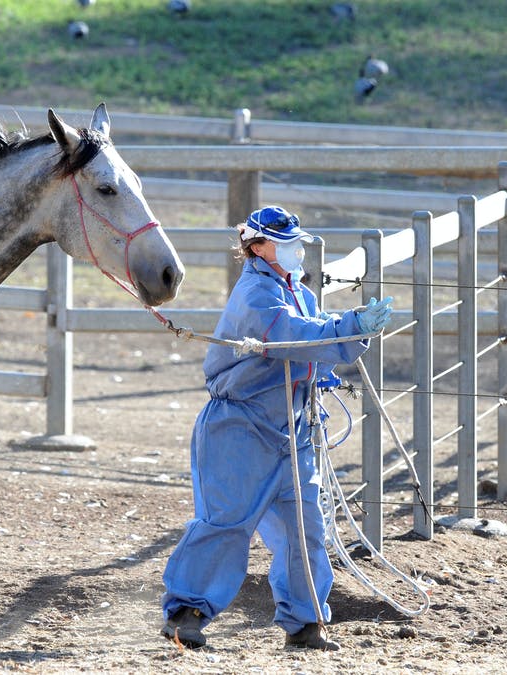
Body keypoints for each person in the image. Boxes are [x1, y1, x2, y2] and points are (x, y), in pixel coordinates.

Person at [159, 205, 393, 651]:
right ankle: (185, 614)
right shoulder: (255, 293)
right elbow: (290, 334)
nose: (295, 250)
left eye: (295, 242)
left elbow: (312, 336)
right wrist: (351, 326)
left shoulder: (297, 291)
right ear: (257, 246)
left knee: (304, 527)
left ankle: (305, 622)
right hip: (241, 427)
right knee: (226, 523)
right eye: (284, 243)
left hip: (292, 427)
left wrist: (335, 351)